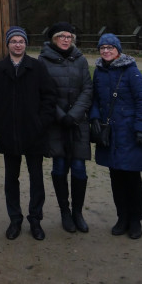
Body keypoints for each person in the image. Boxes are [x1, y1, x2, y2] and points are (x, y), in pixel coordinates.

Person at [0, 26, 57, 241]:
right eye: (14, 41)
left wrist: (41, 122)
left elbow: (48, 97)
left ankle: (35, 219)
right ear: (8, 44)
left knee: (36, 177)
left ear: (26, 44)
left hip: (33, 132)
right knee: (11, 178)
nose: (18, 44)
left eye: (21, 41)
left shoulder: (36, 67)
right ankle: (14, 220)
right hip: (9, 132)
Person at [90, 33, 142, 239]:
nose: (106, 51)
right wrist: (96, 119)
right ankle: (122, 217)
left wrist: (141, 128)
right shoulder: (98, 72)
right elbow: (95, 100)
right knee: (116, 177)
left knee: (132, 177)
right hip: (110, 134)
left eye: (110, 47)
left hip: (129, 133)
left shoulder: (131, 71)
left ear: (118, 50)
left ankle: (135, 220)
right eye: (102, 48)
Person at [39, 21, 93, 233]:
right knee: (60, 167)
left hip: (77, 124)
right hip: (56, 124)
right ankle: (64, 211)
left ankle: (78, 212)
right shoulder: (43, 61)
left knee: (79, 169)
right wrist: (61, 116)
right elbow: (43, 92)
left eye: (69, 37)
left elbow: (87, 89)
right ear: (53, 39)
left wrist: (74, 115)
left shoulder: (80, 60)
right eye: (61, 36)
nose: (66, 40)